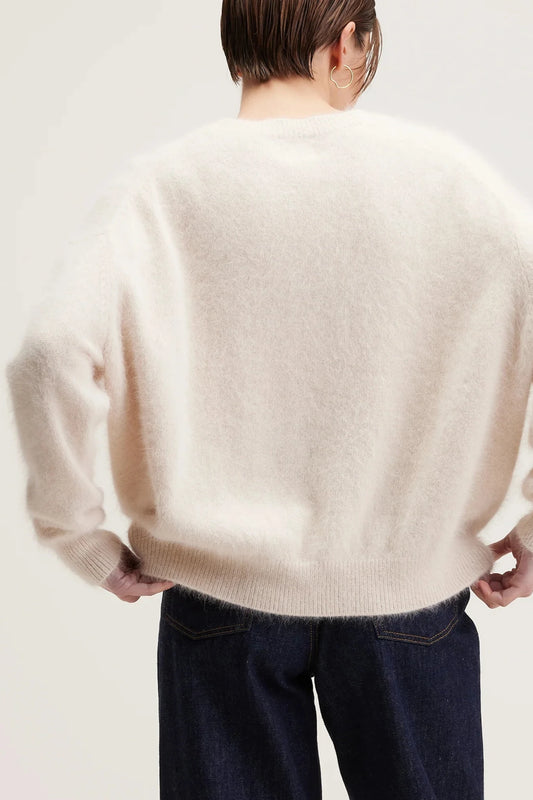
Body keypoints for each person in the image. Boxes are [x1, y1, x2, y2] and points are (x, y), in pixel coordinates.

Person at [5, 0, 533, 798]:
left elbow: (49, 356)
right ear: (347, 43)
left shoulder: (158, 190)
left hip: (220, 598)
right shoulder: (451, 183)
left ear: (236, 45)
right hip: (407, 592)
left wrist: (78, 535)